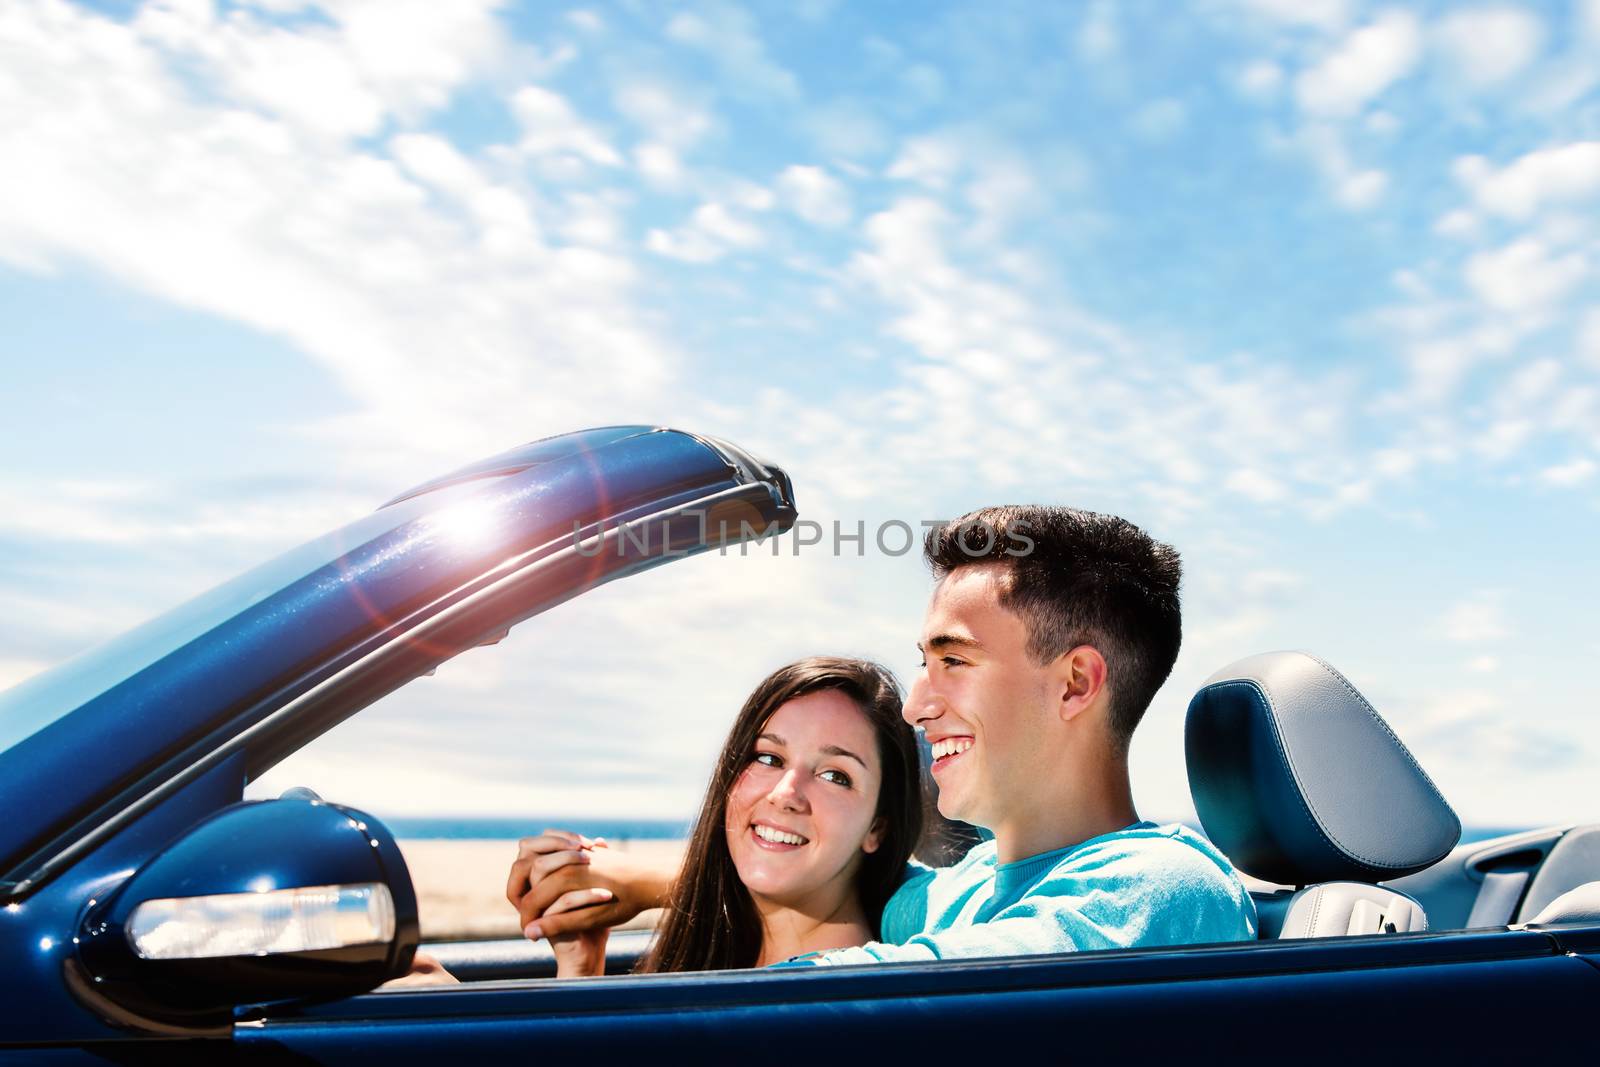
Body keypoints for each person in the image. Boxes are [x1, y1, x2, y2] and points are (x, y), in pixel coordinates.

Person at [510, 506, 1257, 965]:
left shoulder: (1157, 891)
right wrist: (629, 885)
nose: (915, 705)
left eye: (954, 661)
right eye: (921, 665)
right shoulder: (958, 891)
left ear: (1074, 683)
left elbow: (864, 997)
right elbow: (831, 869)